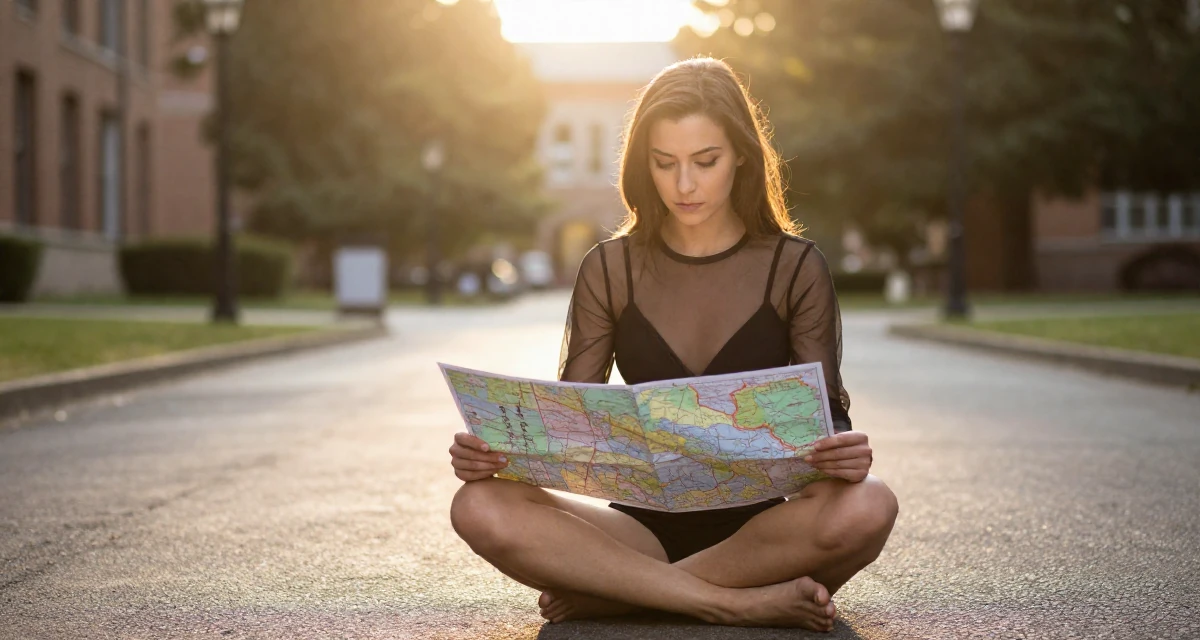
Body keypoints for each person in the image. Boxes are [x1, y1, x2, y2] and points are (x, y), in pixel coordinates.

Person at [447, 57, 898, 631]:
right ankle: (730, 603)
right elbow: (568, 427)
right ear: (645, 164)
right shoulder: (609, 269)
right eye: (665, 163)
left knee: (871, 503)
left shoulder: (795, 268)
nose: (685, 185)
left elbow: (826, 420)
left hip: (763, 535)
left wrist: (843, 452)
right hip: (634, 531)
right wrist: (497, 454)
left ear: (741, 155)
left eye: (705, 161)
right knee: (478, 505)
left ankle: (623, 593)